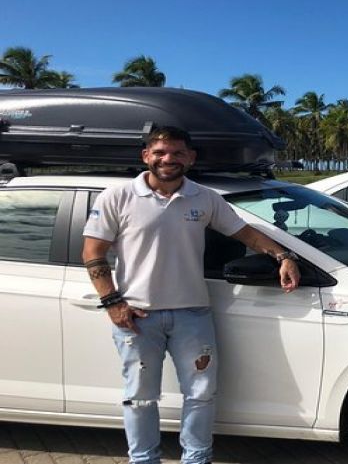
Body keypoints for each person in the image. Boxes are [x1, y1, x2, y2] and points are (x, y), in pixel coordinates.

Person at [82, 126, 301, 464]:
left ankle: (197, 459)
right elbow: (93, 252)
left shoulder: (204, 197)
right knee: (140, 398)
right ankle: (143, 460)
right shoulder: (118, 197)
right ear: (146, 156)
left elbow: (243, 232)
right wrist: (112, 302)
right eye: (160, 152)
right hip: (138, 316)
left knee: (201, 394)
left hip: (192, 314)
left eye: (177, 153)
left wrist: (283, 256)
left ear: (190, 157)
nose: (168, 159)